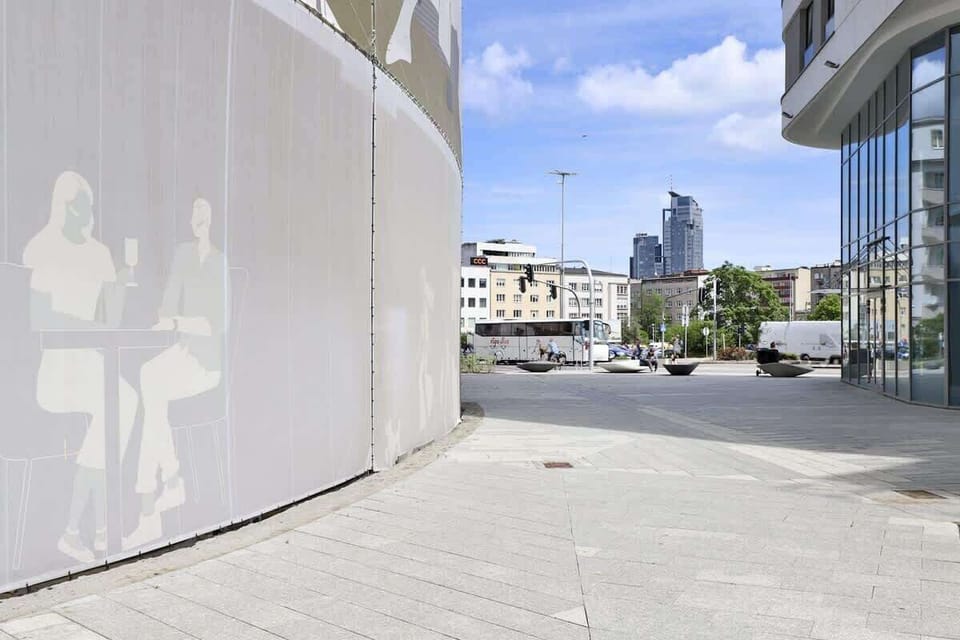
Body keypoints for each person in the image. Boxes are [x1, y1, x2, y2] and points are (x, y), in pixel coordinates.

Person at [23, 171, 138, 563]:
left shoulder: (99, 254)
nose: (88, 212)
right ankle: (100, 529)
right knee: (116, 404)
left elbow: (111, 319)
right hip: (58, 370)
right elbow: (39, 320)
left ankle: (79, 530)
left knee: (123, 400)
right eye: (81, 204)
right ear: (66, 206)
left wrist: (121, 284)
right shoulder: (42, 248)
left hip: (91, 364)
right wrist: (90, 328)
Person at [124, 198, 227, 549]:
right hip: (182, 352)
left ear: (215, 218)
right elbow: (167, 303)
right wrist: (171, 315)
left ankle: (151, 505)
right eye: (196, 209)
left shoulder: (219, 262)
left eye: (206, 209)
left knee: (152, 387)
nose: (201, 215)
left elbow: (216, 324)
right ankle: (168, 482)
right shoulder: (184, 255)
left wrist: (179, 320)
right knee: (148, 376)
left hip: (206, 363)